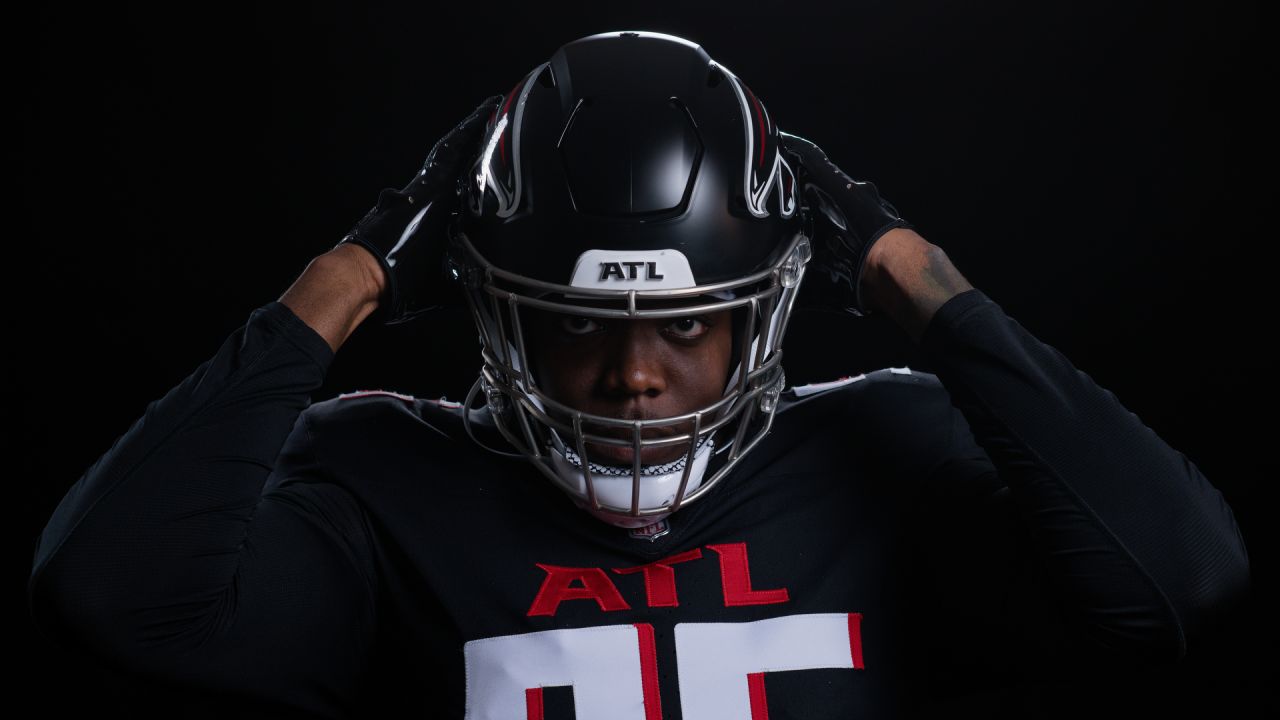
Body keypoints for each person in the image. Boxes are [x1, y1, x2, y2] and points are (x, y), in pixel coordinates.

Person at [28, 30, 1251, 719]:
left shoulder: (887, 446)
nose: (631, 375)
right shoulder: (383, 480)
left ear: (763, 309)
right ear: (491, 313)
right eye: (572, 325)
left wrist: (907, 267)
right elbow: (110, 596)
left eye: (685, 324)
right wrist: (350, 270)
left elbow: (1174, 581)